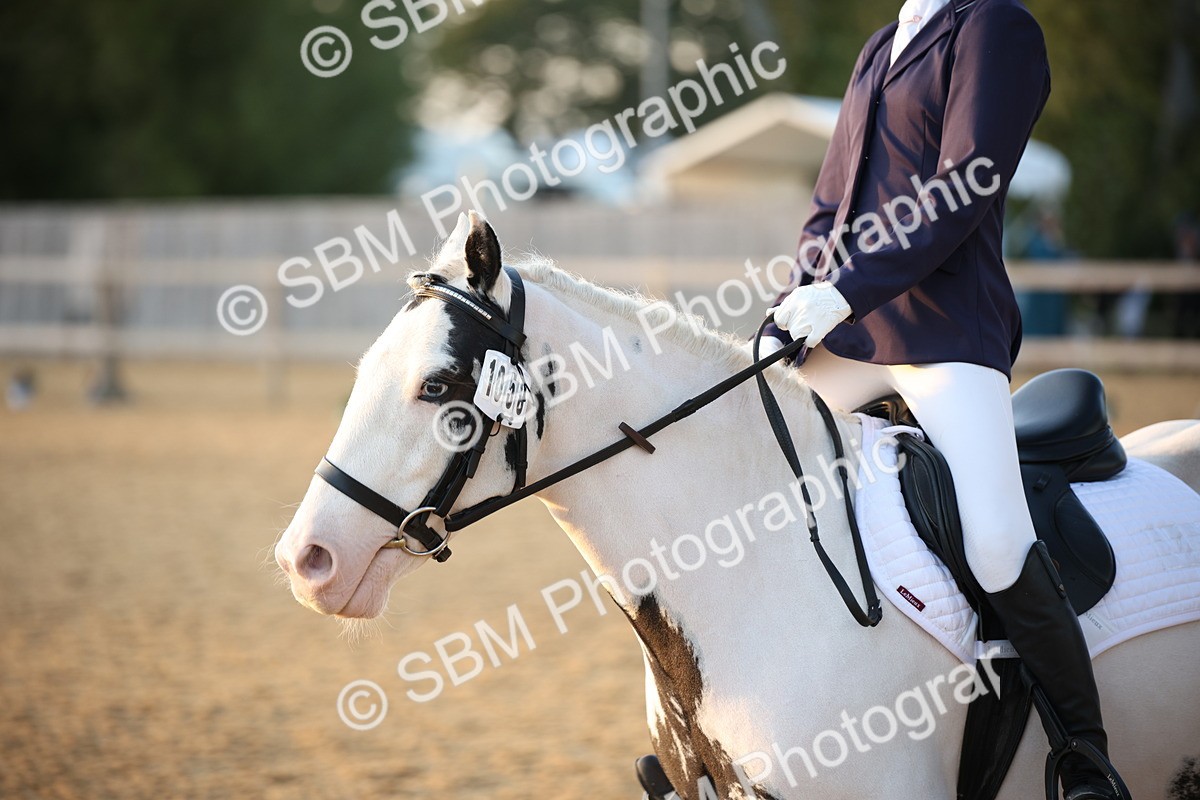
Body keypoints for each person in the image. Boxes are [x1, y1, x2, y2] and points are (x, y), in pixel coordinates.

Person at [759, 1, 1124, 797]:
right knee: (760, 471)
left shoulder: (997, 27)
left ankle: (1084, 757)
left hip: (947, 332)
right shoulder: (880, 46)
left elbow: (963, 186)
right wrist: (798, 300)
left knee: (996, 540)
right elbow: (832, 201)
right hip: (849, 334)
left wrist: (846, 290)